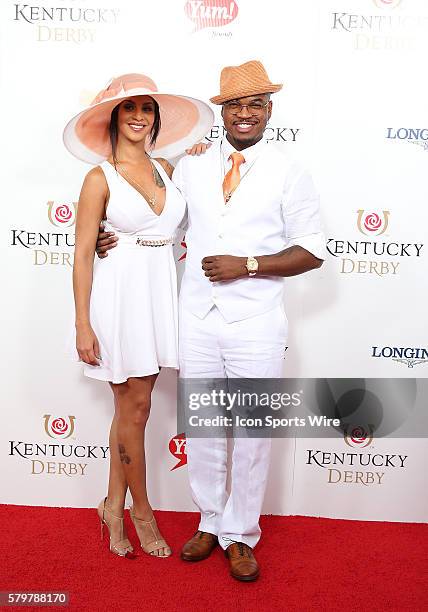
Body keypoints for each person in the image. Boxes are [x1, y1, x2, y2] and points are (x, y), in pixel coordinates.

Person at [96, 60, 325, 580]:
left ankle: (241, 535)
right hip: (196, 317)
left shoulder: (291, 171)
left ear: (270, 110)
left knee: (250, 433)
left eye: (255, 104)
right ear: (221, 112)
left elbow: (312, 251)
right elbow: (151, 215)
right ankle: (209, 521)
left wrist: (247, 266)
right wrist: (110, 239)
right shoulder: (192, 164)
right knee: (202, 429)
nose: (244, 114)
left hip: (257, 321)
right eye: (235, 105)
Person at [64, 73, 213, 559]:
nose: (138, 117)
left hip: (157, 297)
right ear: (113, 118)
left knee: (133, 409)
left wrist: (196, 155)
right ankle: (141, 514)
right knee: (135, 409)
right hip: (117, 300)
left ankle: (112, 506)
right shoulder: (97, 178)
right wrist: (84, 324)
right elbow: (84, 253)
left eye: (146, 109)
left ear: (155, 118)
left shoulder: (168, 167)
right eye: (128, 109)